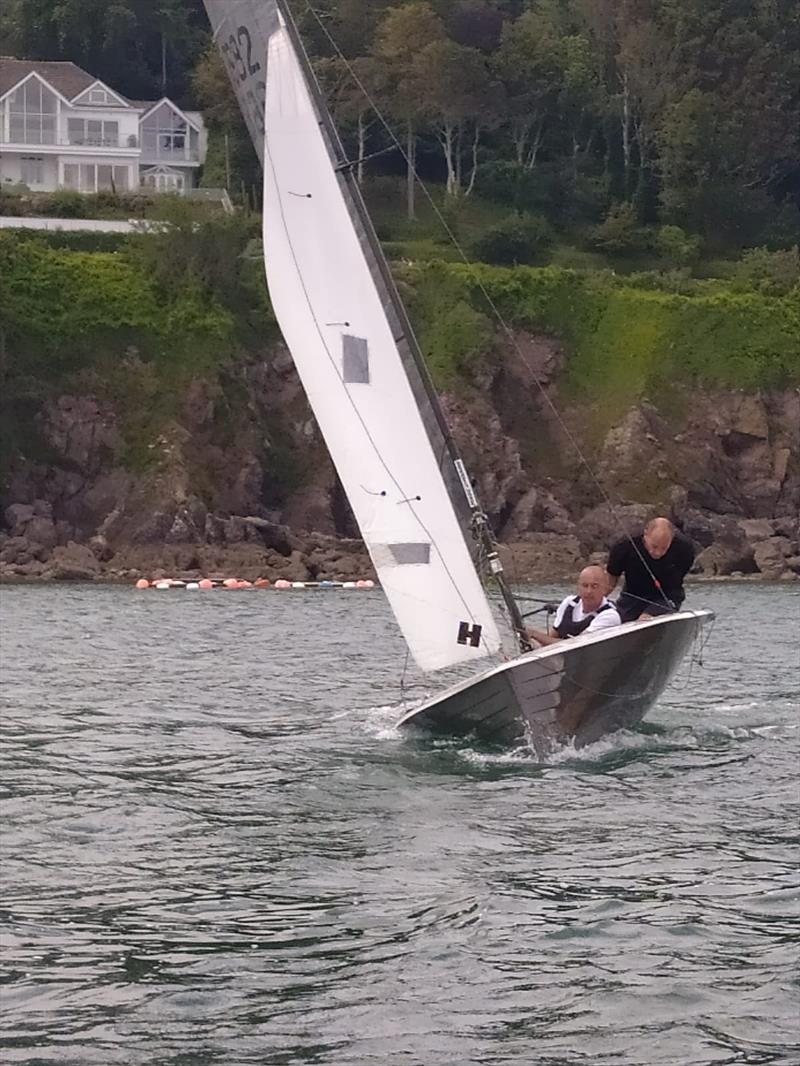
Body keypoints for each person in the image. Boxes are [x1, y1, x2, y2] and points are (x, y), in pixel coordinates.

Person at [606, 517, 695, 622]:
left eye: (664, 548)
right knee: (614, 619)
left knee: (644, 619)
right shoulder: (624, 546)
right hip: (632, 595)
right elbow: (611, 579)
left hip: (667, 596)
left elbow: (679, 578)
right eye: (654, 546)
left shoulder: (685, 549)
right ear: (645, 535)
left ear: (672, 539)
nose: (658, 553)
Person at [528, 565, 621, 647]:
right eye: (585, 586)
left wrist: (535, 634)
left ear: (605, 589)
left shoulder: (609, 616)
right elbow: (551, 636)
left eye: (594, 586)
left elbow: (576, 646)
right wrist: (528, 636)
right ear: (578, 587)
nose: (589, 591)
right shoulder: (569, 603)